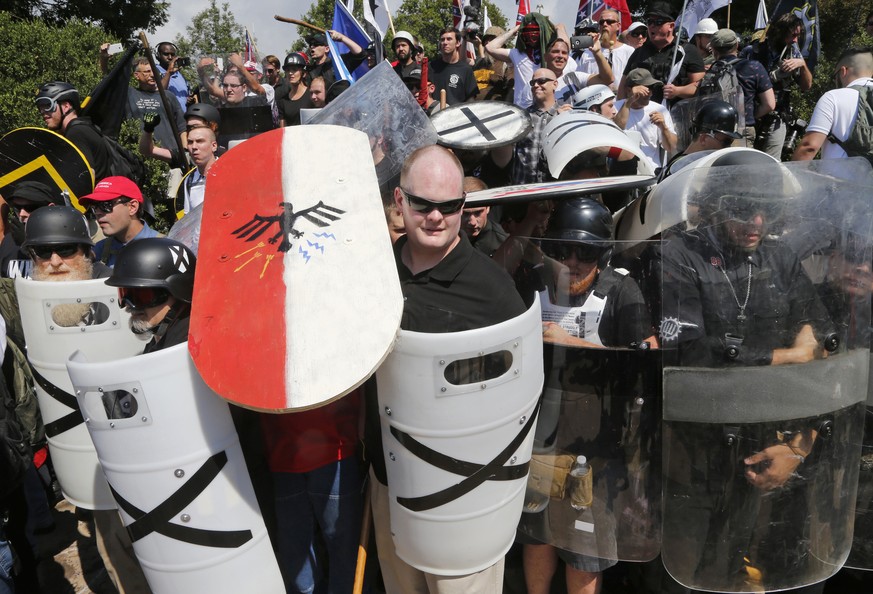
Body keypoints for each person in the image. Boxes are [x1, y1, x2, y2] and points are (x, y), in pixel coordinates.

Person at [367, 145, 526, 594]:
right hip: (389, 478)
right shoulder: (376, 270)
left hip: (465, 490)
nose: (436, 217)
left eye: (450, 206)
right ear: (400, 201)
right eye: (422, 204)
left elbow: (520, 394)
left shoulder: (493, 292)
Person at [520, 198, 656, 594]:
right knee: (537, 535)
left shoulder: (621, 290)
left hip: (594, 445)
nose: (574, 262)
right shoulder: (533, 284)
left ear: (604, 255)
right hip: (539, 438)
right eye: (564, 251)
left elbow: (643, 358)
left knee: (584, 548)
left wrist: (574, 345)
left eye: (587, 252)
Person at [740, 12, 813, 159]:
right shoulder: (754, 51)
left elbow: (806, 86)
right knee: (743, 159)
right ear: (780, 32)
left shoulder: (793, 53)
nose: (795, 40)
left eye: (798, 36)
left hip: (777, 116)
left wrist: (802, 65)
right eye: (792, 35)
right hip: (750, 115)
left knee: (772, 163)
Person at [105, 237, 195, 353]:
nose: (129, 306)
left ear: (180, 292)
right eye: (125, 294)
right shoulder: (164, 338)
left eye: (142, 296)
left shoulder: (187, 350)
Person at [793, 47, 873, 161]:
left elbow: (809, 147)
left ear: (843, 71)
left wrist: (790, 176)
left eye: (835, 76)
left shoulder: (833, 97)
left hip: (837, 178)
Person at [619, 2, 705, 105]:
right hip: (642, 116)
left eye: (658, 22)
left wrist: (678, 91)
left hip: (675, 115)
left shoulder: (687, 51)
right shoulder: (638, 52)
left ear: (671, 26)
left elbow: (700, 86)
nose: (652, 26)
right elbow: (623, 87)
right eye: (650, 22)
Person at [706, 28, 775, 147]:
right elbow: (770, 104)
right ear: (737, 45)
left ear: (714, 50)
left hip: (715, 133)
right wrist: (749, 116)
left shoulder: (711, 70)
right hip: (743, 131)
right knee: (740, 165)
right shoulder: (754, 67)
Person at [486, 14, 571, 109]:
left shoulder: (549, 54)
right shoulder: (516, 54)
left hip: (545, 109)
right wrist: (513, 30)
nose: (532, 35)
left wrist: (560, 29)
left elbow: (565, 48)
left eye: (535, 30)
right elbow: (490, 47)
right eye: (528, 31)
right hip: (522, 108)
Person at [35, 82, 112, 181]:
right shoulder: (85, 127)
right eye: (40, 107)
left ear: (66, 106)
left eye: (47, 105)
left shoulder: (76, 132)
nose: (43, 112)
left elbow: (87, 176)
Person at [79, 177, 162, 266]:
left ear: (132, 207)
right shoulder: (99, 250)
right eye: (94, 207)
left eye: (106, 205)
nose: (98, 212)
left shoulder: (165, 248)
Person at [616, 68, 678, 172]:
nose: (649, 93)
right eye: (645, 89)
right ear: (628, 90)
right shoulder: (615, 108)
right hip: (622, 173)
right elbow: (616, 131)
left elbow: (672, 147)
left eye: (651, 88)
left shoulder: (660, 110)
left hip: (651, 172)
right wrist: (629, 102)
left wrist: (663, 128)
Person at [661, 100, 743, 178]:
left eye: (731, 142)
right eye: (726, 142)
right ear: (703, 138)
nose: (728, 147)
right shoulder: (680, 168)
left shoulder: (713, 166)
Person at [512, 68, 560, 184]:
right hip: (524, 191)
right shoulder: (521, 118)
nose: (536, 85)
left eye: (542, 81)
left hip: (555, 191)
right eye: (533, 83)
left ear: (555, 84)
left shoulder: (563, 117)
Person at [576, 9, 635, 91]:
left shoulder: (629, 51)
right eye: (601, 22)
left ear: (618, 26)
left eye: (609, 22)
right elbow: (579, 81)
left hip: (619, 101)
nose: (604, 24)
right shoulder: (588, 52)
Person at [429, 27, 479, 106]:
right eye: (442, 39)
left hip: (456, 116)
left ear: (458, 43)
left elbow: (471, 101)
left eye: (449, 39)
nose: (445, 42)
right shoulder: (431, 66)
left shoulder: (466, 70)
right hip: (435, 115)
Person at [460, 177, 507, 257]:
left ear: (488, 207)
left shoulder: (503, 242)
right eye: (465, 213)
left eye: (478, 213)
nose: (472, 222)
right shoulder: (445, 236)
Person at [181, 126, 218, 214]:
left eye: (200, 141)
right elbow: (188, 218)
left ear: (214, 146)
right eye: (190, 142)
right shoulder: (189, 180)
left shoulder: (230, 172)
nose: (194, 147)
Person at [278, 52, 313, 126]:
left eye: (294, 69)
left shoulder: (312, 95)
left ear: (303, 73)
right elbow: (282, 129)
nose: (290, 73)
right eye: (287, 70)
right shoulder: (283, 101)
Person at [154, 42, 190, 112]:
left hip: (182, 118)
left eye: (172, 54)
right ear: (158, 55)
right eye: (166, 54)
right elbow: (158, 93)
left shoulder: (180, 75)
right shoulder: (153, 71)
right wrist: (169, 73)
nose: (170, 57)